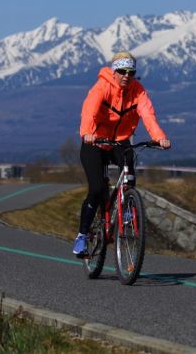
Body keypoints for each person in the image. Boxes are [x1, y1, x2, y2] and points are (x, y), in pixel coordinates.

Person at [73, 51, 171, 256]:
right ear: (114, 71)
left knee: (129, 172)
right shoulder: (102, 87)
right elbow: (88, 110)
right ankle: (82, 236)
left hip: (119, 142)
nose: (127, 76)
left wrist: (159, 137)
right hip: (95, 142)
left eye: (131, 72)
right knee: (97, 188)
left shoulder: (138, 91)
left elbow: (148, 115)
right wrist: (87, 133)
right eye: (122, 71)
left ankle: (127, 208)